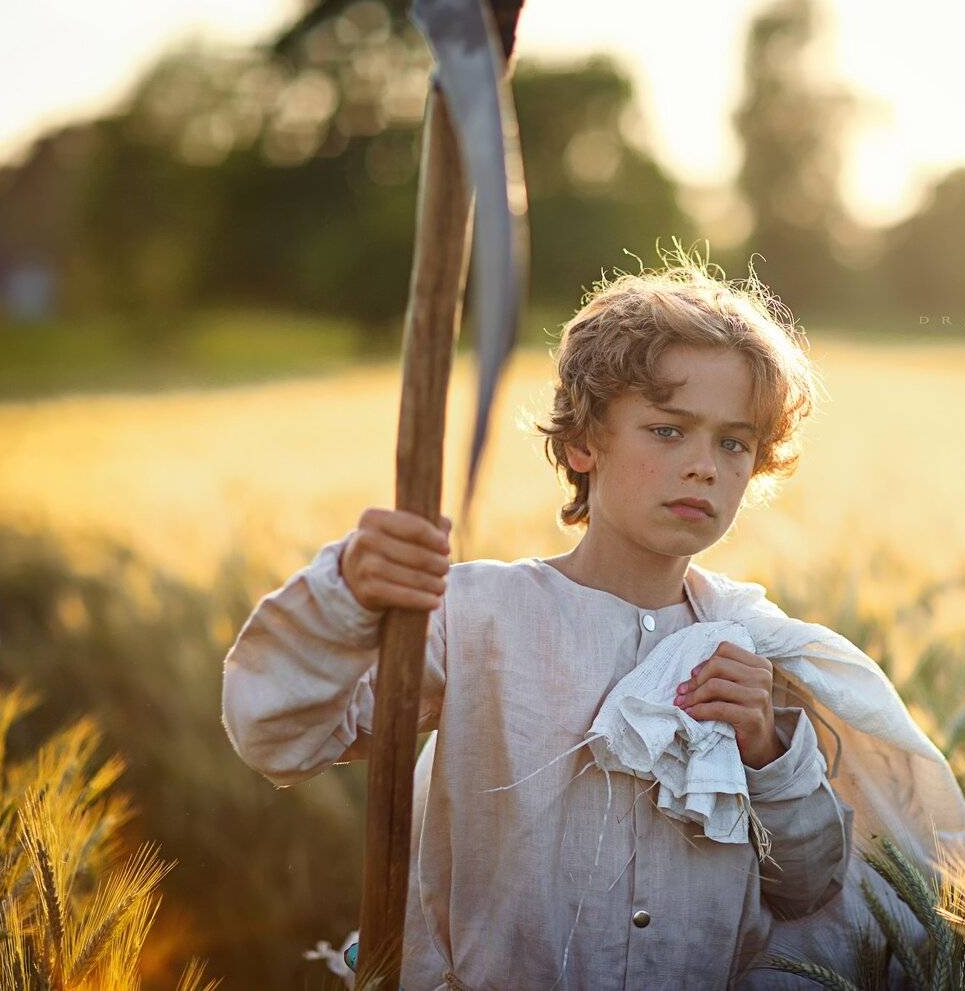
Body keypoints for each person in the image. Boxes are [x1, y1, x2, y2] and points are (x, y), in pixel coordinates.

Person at [222, 250, 884, 990]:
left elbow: (809, 887)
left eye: (735, 442)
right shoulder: (475, 619)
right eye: (668, 430)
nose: (705, 465)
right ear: (583, 441)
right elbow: (277, 735)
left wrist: (765, 753)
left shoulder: (752, 644)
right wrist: (343, 592)